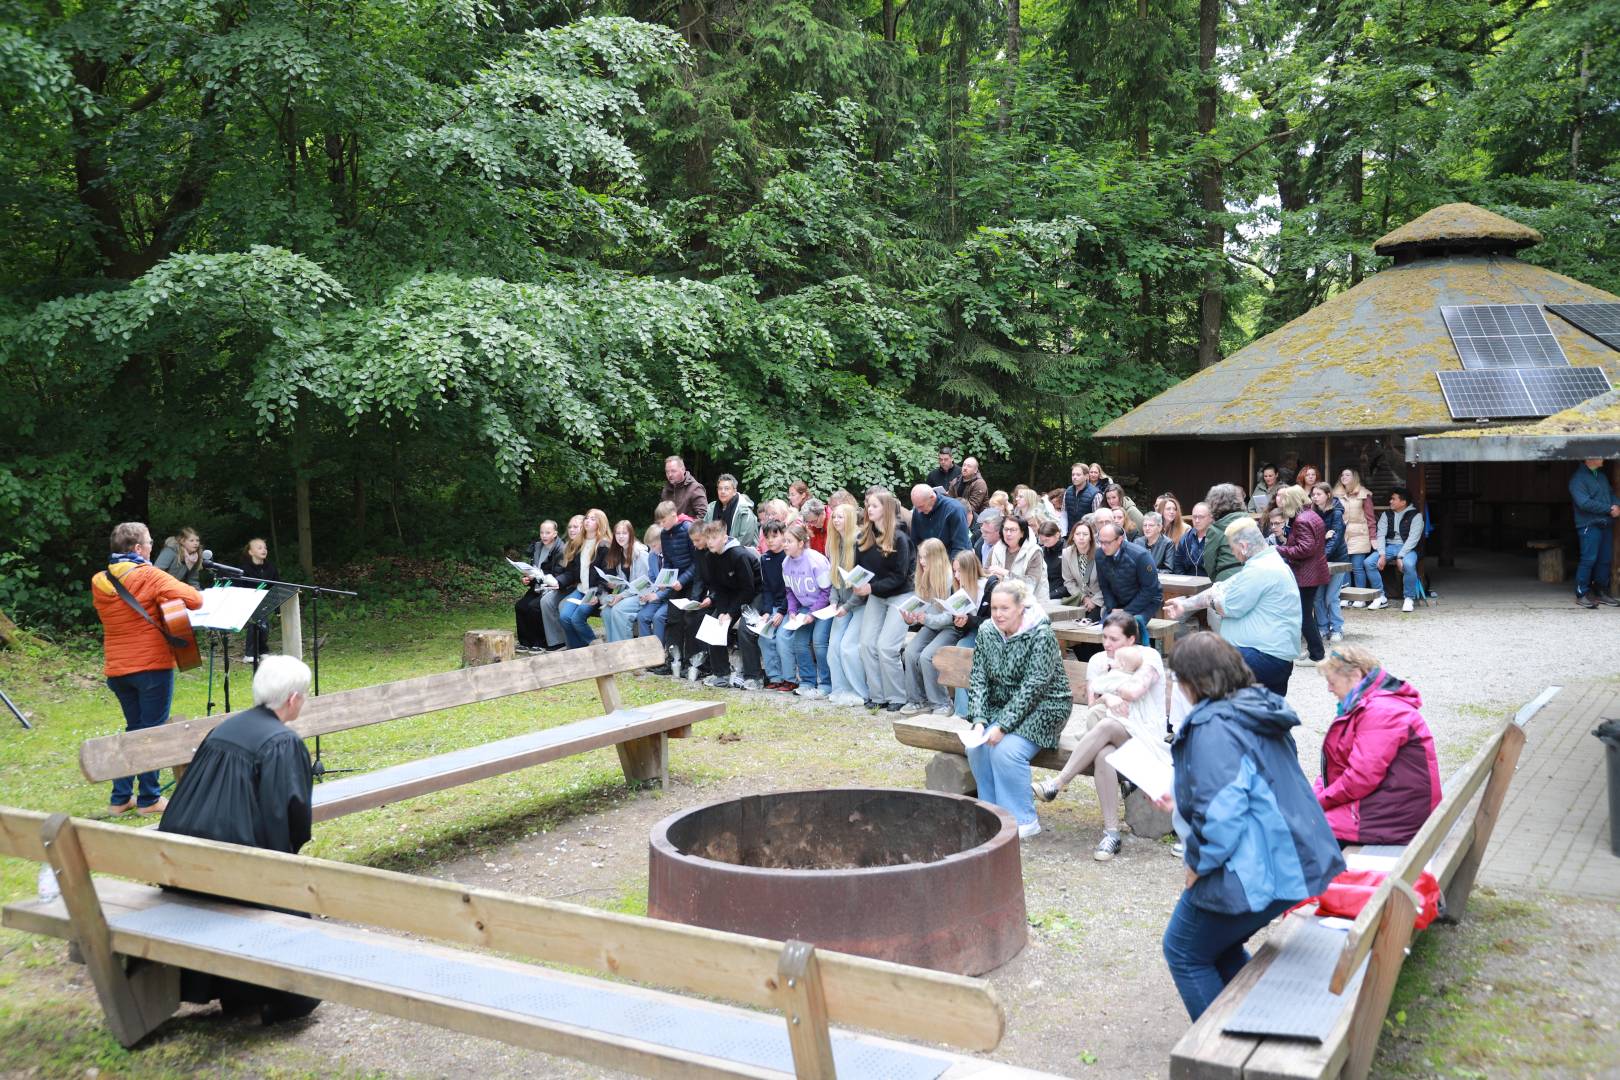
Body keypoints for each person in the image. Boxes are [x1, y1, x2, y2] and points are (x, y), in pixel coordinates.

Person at [1159, 632, 1344, 1020]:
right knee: (1218, 947)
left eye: (1178, 680)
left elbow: (1222, 816)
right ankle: (1254, 1022)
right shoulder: (1254, 707)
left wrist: (1196, 866)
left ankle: (1215, 1055)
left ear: (1195, 681)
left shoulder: (1212, 726)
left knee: (1184, 950)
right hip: (1298, 859)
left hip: (1262, 869)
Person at [158, 655, 322, 1026]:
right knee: (278, 895)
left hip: (181, 856)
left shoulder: (226, 729)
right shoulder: (282, 742)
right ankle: (279, 999)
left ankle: (236, 994)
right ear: (293, 699)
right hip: (235, 866)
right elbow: (288, 814)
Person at [91, 522, 205, 816]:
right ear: (139, 549)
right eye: (150, 542)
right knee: (151, 733)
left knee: (135, 729)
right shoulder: (149, 575)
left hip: (117, 669)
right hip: (151, 666)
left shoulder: (99, 580)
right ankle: (149, 800)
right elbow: (195, 598)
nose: (153, 547)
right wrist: (167, 596)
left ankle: (120, 799)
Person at [1034, 612, 1167, 860]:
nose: (1107, 644)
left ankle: (1058, 783)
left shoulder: (1148, 657)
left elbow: (1136, 691)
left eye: (1114, 639)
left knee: (1107, 726)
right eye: (1104, 637)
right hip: (1111, 735)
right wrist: (1108, 696)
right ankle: (1111, 834)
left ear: (1131, 639)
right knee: (1104, 755)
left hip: (1147, 738)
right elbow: (1092, 700)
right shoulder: (1098, 660)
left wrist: (1111, 690)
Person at [964, 579, 1072, 839]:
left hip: (1046, 706)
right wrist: (979, 719)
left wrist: (1001, 726)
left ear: (1021, 608)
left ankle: (1023, 818)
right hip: (1002, 706)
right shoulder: (988, 631)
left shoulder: (1041, 634)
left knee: (1006, 751)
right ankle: (993, 812)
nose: (998, 614)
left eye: (1005, 609)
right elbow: (978, 678)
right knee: (976, 746)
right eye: (994, 609)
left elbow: (1033, 687)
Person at [1315, 645, 1442, 846]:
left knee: (1305, 830)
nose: (1329, 689)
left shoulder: (1382, 712)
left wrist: (1317, 804)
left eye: (1332, 682)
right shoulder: (1368, 705)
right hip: (1386, 806)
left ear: (1355, 676)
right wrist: (1315, 796)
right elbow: (1340, 767)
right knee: (1300, 823)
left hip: (1397, 817)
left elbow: (1360, 778)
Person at [1167, 520, 1300, 697]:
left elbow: (1225, 606)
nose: (1233, 553)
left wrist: (1214, 601)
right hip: (1269, 656)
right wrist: (1184, 605)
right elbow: (1219, 589)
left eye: (1232, 548)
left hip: (1263, 657)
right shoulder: (1266, 563)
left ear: (1244, 546)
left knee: (1194, 664)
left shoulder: (1261, 570)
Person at [854, 489, 916, 712]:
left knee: (886, 647)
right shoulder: (864, 538)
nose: (869, 509)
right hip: (876, 595)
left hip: (901, 595)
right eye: (868, 505)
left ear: (886, 509)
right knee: (866, 644)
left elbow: (900, 577)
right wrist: (856, 581)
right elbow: (859, 569)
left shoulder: (901, 538)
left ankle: (897, 696)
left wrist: (870, 587)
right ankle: (877, 695)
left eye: (874, 506)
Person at [693, 521, 764, 685]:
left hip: (755, 593)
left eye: (714, 537)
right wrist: (724, 611)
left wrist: (731, 613)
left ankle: (754, 676)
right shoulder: (710, 557)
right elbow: (719, 588)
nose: (710, 542)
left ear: (724, 538)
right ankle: (722, 674)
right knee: (715, 625)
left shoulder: (739, 555)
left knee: (746, 629)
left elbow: (748, 589)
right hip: (731, 595)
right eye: (708, 538)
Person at [899, 539, 961, 715]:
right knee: (910, 652)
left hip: (951, 628)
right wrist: (910, 618)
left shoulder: (951, 579)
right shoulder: (923, 575)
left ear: (937, 557)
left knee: (928, 656)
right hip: (931, 625)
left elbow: (950, 617)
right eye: (920, 557)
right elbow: (921, 608)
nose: (922, 562)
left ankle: (942, 702)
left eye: (926, 557)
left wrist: (925, 619)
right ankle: (916, 699)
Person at [778, 522, 834, 698]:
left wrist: (812, 614)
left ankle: (826, 683)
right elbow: (790, 591)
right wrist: (793, 611)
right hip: (804, 607)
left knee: (819, 642)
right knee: (799, 643)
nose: (784, 544)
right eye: (784, 541)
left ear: (801, 543)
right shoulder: (786, 563)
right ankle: (807, 681)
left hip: (824, 607)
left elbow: (827, 591)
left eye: (789, 541)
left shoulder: (815, 560)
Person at [823, 502, 870, 707]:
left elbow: (861, 583)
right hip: (841, 605)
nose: (836, 520)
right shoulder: (835, 543)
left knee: (848, 648)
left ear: (850, 518)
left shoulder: (860, 542)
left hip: (860, 604)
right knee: (833, 647)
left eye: (840, 517)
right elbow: (836, 579)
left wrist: (846, 607)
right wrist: (833, 602)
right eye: (834, 517)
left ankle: (859, 692)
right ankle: (840, 689)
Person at [735, 519, 791, 691]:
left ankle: (789, 678)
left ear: (784, 536)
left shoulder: (789, 558)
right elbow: (766, 589)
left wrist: (781, 611)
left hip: (788, 607)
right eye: (767, 537)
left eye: (775, 536)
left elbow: (791, 590)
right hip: (773, 606)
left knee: (782, 638)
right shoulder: (765, 559)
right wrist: (766, 612)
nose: (771, 540)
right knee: (765, 638)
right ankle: (775, 677)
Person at [1274, 485, 1327, 663]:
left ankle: (1316, 655)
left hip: (1306, 574)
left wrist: (1281, 550)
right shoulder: (1312, 515)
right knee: (1306, 614)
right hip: (1314, 572)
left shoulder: (1302, 520)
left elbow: (1305, 549)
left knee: (1304, 616)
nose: (1282, 505)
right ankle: (1315, 650)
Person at [651, 503, 700, 674]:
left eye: (664, 521)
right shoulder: (664, 534)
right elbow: (669, 561)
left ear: (674, 515)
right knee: (673, 620)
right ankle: (673, 660)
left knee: (689, 620)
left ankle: (690, 663)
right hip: (676, 583)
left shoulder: (688, 528)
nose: (662, 525)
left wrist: (682, 580)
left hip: (691, 581)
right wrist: (666, 578)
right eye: (660, 522)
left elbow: (697, 562)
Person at [1096, 521, 1162, 644]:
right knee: (1102, 630)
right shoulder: (1100, 554)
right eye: (1101, 542)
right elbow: (1104, 586)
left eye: (1107, 542)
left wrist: (1126, 612)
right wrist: (1112, 607)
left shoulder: (1140, 555)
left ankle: (1140, 659)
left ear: (1120, 539)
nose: (1103, 546)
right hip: (1118, 603)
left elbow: (1149, 589)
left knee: (1127, 628)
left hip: (1145, 603)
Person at [950, 550, 999, 718]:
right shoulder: (959, 590)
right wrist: (959, 623)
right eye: (954, 571)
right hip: (973, 633)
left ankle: (979, 709)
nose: (956, 576)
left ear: (970, 570)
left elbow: (996, 621)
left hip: (993, 635)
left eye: (959, 571)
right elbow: (961, 627)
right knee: (959, 652)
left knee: (976, 660)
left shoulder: (990, 585)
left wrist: (969, 621)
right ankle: (962, 711)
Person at [557, 509, 612, 648]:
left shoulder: (604, 545)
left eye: (593, 519)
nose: (588, 521)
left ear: (600, 523)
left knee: (576, 619)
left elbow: (607, 575)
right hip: (581, 590)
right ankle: (577, 650)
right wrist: (557, 581)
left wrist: (598, 594)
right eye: (587, 518)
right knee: (564, 617)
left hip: (596, 592)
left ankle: (597, 647)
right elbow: (572, 572)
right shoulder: (579, 543)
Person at [1570, 457, 1619, 609]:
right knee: (1589, 559)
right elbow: (1583, 503)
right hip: (1588, 524)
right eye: (1599, 455)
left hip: (1605, 523)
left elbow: (1611, 493)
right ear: (1589, 459)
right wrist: (1608, 509)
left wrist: (1617, 504)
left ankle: (1600, 591)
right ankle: (1581, 594)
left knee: (1605, 559)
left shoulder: (1601, 476)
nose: (1603, 458)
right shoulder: (1577, 479)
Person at [514, 519, 564, 654]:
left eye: (548, 532)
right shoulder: (537, 547)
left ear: (555, 534)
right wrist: (528, 579)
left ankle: (540, 642)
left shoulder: (561, 549)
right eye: (542, 532)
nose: (544, 536)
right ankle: (525, 642)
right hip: (537, 586)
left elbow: (557, 575)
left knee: (534, 607)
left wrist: (540, 579)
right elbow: (534, 569)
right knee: (520, 606)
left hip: (551, 587)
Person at [1374, 486, 1424, 613]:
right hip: (1389, 547)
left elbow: (1413, 539)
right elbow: (1380, 535)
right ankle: (1380, 596)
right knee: (1368, 563)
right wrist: (1382, 554)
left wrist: (1400, 556)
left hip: (1408, 548)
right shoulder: (1387, 515)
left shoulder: (1416, 516)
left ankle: (1409, 598)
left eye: (1393, 499)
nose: (1390, 501)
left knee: (1408, 564)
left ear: (1403, 502)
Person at [539, 514, 584, 652]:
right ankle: (557, 642)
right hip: (568, 585)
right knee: (546, 601)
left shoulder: (588, 546)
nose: (571, 530)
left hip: (583, 588)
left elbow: (577, 574)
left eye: (575, 527)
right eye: (570, 527)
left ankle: (572, 643)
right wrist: (555, 581)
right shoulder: (569, 546)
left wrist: (560, 581)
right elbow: (567, 571)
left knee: (563, 605)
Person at [599, 519, 648, 643]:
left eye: (624, 533)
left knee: (618, 610)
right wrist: (614, 585)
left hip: (642, 595)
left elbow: (643, 584)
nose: (620, 536)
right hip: (627, 594)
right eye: (618, 533)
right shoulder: (619, 553)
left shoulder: (640, 554)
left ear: (631, 535)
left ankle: (624, 650)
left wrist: (621, 596)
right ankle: (612, 647)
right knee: (606, 611)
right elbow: (624, 583)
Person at [1334, 468, 1378, 606]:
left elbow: (1371, 519)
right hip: (1343, 535)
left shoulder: (1364, 494)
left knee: (1357, 567)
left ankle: (1360, 598)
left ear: (1355, 477)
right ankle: (1347, 596)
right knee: (1345, 567)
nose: (1344, 477)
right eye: (1342, 475)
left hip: (1360, 534)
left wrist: (1373, 538)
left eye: (1347, 475)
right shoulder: (1336, 494)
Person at [1311, 483, 1347, 643]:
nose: (1315, 497)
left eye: (1319, 494)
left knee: (1331, 596)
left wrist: (1322, 556)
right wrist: (1322, 537)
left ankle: (1337, 628)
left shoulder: (1337, 513)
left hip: (1337, 559)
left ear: (1328, 495)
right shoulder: (1312, 512)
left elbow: (1335, 538)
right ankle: (1322, 627)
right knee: (1318, 596)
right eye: (1313, 494)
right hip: (1319, 559)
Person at [1200, 483, 1251, 583]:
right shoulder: (1250, 522)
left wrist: (1218, 579)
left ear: (1214, 503)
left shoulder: (1215, 529)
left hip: (1226, 578)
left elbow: (1209, 561)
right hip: (1250, 576)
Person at [908, 483, 971, 560]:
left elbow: (960, 547)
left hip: (950, 563)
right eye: (916, 507)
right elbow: (915, 543)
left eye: (921, 506)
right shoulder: (918, 512)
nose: (919, 511)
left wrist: (951, 569)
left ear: (932, 497)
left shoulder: (954, 510)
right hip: (927, 563)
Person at [240, 538, 279, 663]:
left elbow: (276, 587)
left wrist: (278, 608)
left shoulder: (271, 568)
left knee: (264, 627)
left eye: (265, 547)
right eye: (259, 547)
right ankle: (249, 654)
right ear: (251, 552)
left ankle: (262, 650)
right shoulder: (245, 569)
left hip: (265, 602)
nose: (264, 550)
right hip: (249, 601)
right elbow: (240, 586)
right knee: (254, 625)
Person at [994, 516, 1048, 600]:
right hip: (1002, 601)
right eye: (1006, 529)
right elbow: (986, 572)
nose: (1008, 533)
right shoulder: (996, 548)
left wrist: (1006, 574)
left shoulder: (1034, 552)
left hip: (1031, 603)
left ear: (1022, 533)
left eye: (1013, 530)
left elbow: (1030, 585)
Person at [632, 525, 671, 645]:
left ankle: (659, 652)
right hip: (657, 595)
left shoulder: (672, 556)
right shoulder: (652, 556)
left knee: (658, 617)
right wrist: (645, 591)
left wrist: (657, 595)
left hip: (671, 597)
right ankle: (647, 649)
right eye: (650, 547)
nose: (652, 550)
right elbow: (652, 577)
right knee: (642, 616)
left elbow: (672, 584)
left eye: (654, 546)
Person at [703, 473, 760, 548]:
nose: (722, 491)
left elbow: (745, 540)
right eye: (720, 488)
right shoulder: (711, 508)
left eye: (726, 488)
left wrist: (724, 550)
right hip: (713, 552)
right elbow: (704, 531)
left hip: (739, 554)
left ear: (734, 491)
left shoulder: (745, 511)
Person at [1060, 520, 1102, 621]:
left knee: (1089, 624)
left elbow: (1109, 582)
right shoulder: (1066, 553)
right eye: (1078, 534)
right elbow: (1069, 581)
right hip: (1080, 600)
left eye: (1085, 534)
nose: (1081, 537)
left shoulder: (1100, 552)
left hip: (1100, 601)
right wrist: (1083, 598)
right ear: (1073, 536)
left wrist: (1095, 601)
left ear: (1091, 537)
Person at [661, 455, 708, 520]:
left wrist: (684, 527)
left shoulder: (695, 488)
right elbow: (662, 515)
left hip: (689, 529)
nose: (670, 475)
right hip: (668, 529)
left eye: (673, 471)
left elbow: (704, 516)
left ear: (683, 470)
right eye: (667, 471)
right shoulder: (666, 490)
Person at [1173, 502, 1213, 577]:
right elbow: (1178, 564)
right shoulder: (1185, 538)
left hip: (1211, 583)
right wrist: (1184, 582)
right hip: (1188, 583)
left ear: (1210, 518)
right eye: (1194, 517)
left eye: (1201, 517)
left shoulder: (1215, 538)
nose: (1197, 520)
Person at [1063, 464, 1099, 535]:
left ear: (1086, 476)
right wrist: (1064, 534)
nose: (1074, 477)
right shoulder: (1068, 492)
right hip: (1070, 534)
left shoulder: (1096, 494)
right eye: (1073, 475)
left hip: (1088, 536)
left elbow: (1098, 518)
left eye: (1078, 475)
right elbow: (1064, 514)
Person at [1036, 519, 1066, 599]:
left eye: (1047, 540)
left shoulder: (1067, 551)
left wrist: (1050, 595)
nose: (1044, 543)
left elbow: (1070, 582)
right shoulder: (1041, 550)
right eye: (1042, 541)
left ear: (1057, 535)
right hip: (1044, 591)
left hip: (1061, 594)